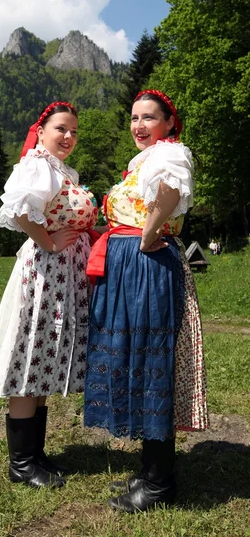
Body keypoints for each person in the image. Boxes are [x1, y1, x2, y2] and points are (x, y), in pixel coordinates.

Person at [84, 90, 208, 513]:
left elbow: (170, 192)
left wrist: (148, 235)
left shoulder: (170, 153)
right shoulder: (148, 158)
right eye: (134, 118)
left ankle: (159, 483)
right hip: (132, 266)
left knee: (152, 362)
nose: (138, 125)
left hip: (147, 266)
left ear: (169, 122)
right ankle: (152, 468)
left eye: (148, 118)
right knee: (136, 358)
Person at [0, 101, 98, 489]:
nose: (68, 137)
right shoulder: (38, 164)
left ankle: (36, 455)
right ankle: (22, 464)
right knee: (31, 358)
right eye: (61, 129)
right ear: (42, 131)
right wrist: (47, 240)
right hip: (44, 273)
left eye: (74, 132)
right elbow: (17, 209)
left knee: (45, 359)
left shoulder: (60, 169)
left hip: (61, 274)